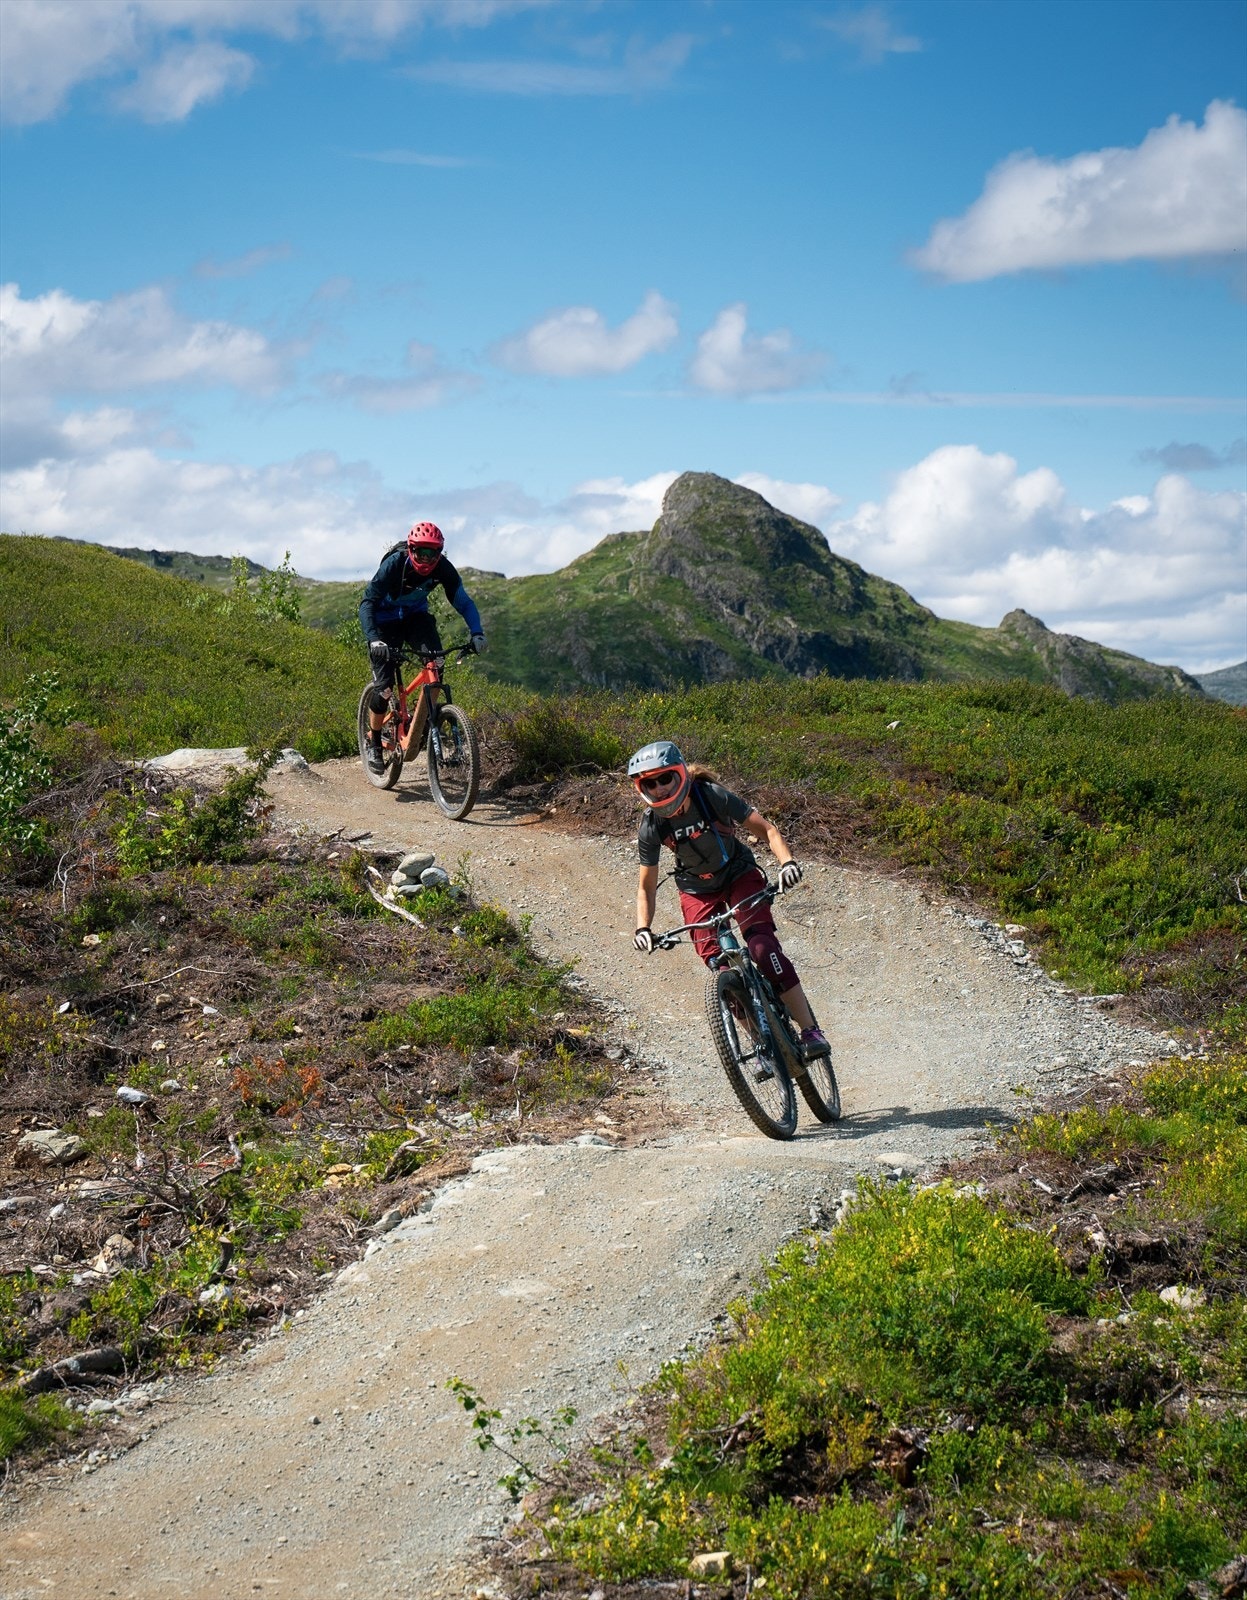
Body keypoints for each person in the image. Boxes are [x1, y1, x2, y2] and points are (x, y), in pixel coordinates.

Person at [629, 740, 830, 1060]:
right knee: (721, 970)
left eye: (664, 778)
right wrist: (643, 928)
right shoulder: (651, 825)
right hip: (696, 890)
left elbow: (768, 830)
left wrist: (787, 863)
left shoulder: (710, 796)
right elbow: (646, 886)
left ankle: (809, 1030)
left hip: (739, 874)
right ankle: (761, 1045)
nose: (658, 787)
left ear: (680, 774)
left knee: (762, 948)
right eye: (649, 783)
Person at [358, 522, 485, 773]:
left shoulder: (444, 569)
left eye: (433, 553)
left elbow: (463, 602)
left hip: (415, 618)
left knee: (436, 666)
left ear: (440, 553)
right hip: (384, 622)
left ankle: (421, 721)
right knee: (384, 690)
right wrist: (374, 638)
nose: (426, 559)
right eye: (420, 553)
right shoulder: (394, 565)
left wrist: (477, 632)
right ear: (411, 549)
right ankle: (373, 741)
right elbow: (368, 602)